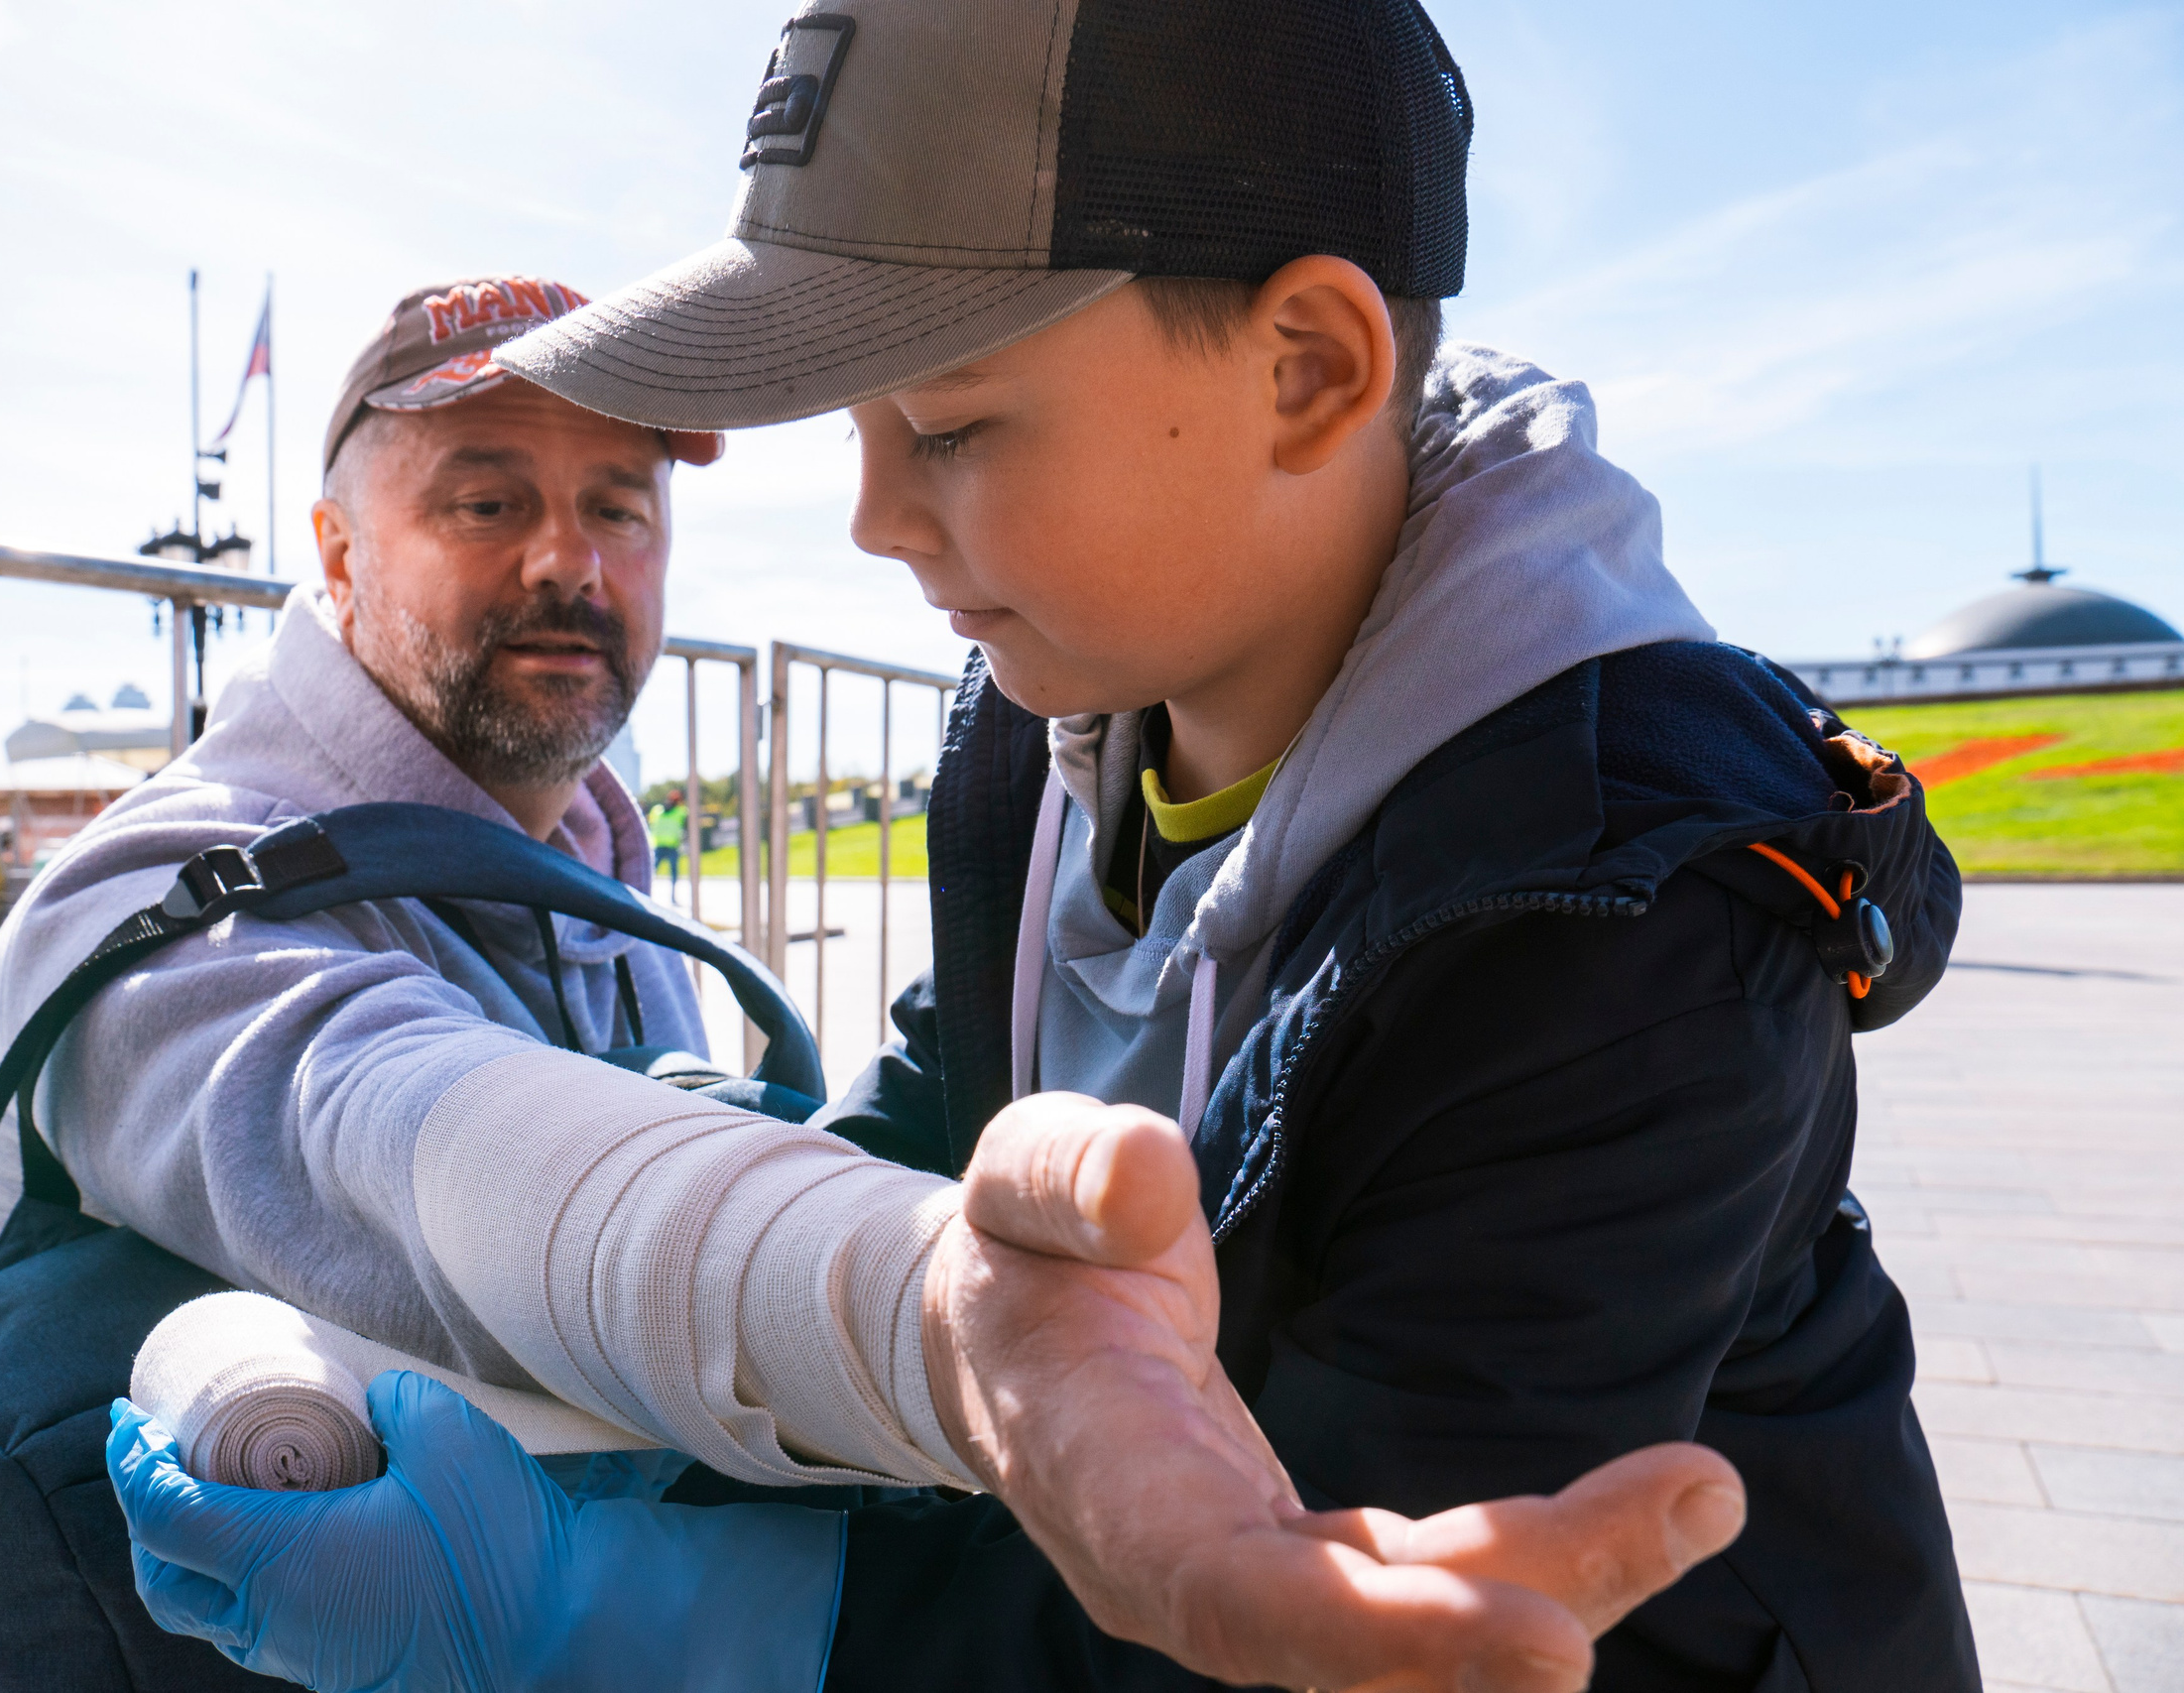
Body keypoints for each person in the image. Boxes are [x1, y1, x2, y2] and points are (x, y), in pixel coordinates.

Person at [117, 0, 1981, 1689]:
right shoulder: (1055, 711)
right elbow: (949, 1132)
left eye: (949, 420)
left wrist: (611, 1606)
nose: (869, 517)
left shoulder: (1615, 910)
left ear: (1313, 371)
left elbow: (1310, 1612)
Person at [0, 266, 1743, 1692]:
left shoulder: (601, 881)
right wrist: (932, 1315)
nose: (570, 560)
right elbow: (395, 1125)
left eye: (621, 504)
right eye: (483, 500)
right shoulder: (159, 892)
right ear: (330, 552)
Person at [648, 794, 687, 893]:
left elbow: (651, 821)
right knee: (672, 873)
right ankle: (673, 896)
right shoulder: (680, 812)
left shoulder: (657, 810)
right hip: (671, 845)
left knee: (651, 872)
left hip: (660, 845)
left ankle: (644, 892)